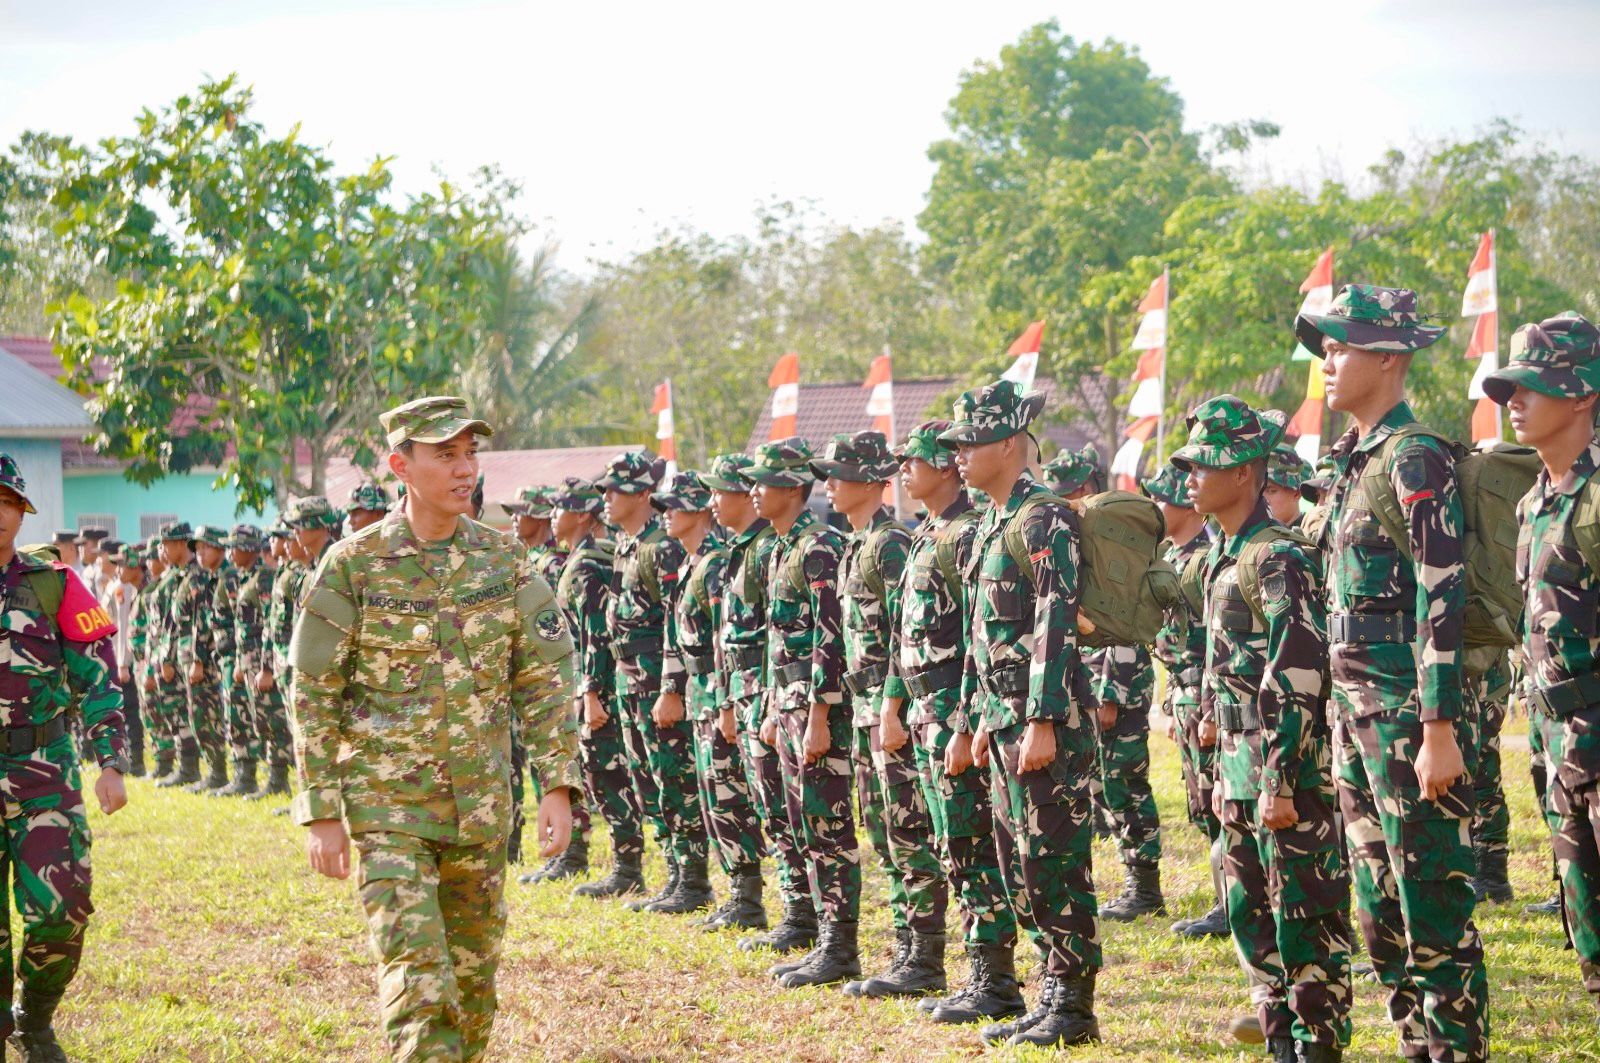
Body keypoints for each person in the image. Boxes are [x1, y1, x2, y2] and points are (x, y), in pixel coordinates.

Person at [290, 395, 580, 1062]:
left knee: (472, 997)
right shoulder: (353, 565)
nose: (464, 467)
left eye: (470, 452)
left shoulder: (503, 562)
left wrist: (558, 783)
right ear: (402, 464)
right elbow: (312, 691)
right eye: (445, 453)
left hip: (480, 814)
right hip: (389, 814)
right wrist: (321, 809)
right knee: (424, 993)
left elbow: (544, 676)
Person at [1298, 283, 1486, 1061]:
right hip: (1354, 713)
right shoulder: (1351, 462)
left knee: (1431, 908)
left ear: (1390, 357)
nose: (1330, 362)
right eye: (1328, 347)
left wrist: (1439, 726)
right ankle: (1415, 1045)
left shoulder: (1415, 457)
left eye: (1343, 347)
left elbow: (1443, 593)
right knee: (1377, 909)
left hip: (1410, 717)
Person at [1173, 396, 1351, 1063]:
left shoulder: (1276, 556)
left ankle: (1317, 1046)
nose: (1191, 477)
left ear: (1247, 471)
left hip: (1287, 775)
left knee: (1304, 920)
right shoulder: (1228, 552)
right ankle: (1282, 1040)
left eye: (1205, 464)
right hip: (1242, 772)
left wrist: (1276, 778)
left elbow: (1298, 671)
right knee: (1252, 916)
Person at [939, 380, 1102, 1048]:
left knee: (1054, 859)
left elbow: (1054, 619)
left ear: (1008, 444)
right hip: (1002, 721)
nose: (958, 455)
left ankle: (1073, 1002)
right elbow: (986, 636)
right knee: (1020, 861)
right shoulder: (993, 523)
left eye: (970, 442)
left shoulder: (1044, 517)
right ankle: (1048, 988)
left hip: (1046, 725)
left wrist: (1040, 717)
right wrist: (978, 718)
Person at [1484, 311, 1600, 1028]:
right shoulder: (1533, 504)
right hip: (1562, 746)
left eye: (1533, 385)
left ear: (1585, 393)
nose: (1514, 400)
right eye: (1509, 387)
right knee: (1585, 923)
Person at [891, 421, 1024, 1024]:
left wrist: (966, 723)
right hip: (928, 716)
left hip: (955, 719)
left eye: (912, 461)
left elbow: (980, 638)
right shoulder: (929, 533)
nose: (901, 472)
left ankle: (996, 981)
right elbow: (906, 635)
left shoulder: (965, 535)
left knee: (971, 843)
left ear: (946, 466)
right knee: (952, 845)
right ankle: (978, 974)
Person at [0, 451, 129, 1061]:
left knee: (65, 906)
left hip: (43, 771)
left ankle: (36, 1016)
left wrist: (110, 761)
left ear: (23, 513)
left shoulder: (52, 583)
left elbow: (97, 680)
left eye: (9, 505)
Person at [815, 431, 946, 999]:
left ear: (872, 481)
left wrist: (892, 704)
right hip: (865, 706)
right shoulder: (859, 542)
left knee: (909, 831)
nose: (830, 484)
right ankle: (904, 949)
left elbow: (902, 634)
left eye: (840, 474)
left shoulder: (891, 543)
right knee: (886, 830)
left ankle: (924, 958)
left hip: (888, 705)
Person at [747, 438, 863, 989]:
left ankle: (840, 948)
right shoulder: (782, 547)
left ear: (793, 488)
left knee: (827, 826)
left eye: (763, 481)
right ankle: (820, 937)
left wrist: (819, 714)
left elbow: (829, 638)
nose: (753, 490)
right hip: (789, 706)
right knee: (802, 826)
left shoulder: (819, 546)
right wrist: (775, 707)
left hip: (817, 709)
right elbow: (780, 642)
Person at [1044, 445, 1164, 921]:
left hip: (1119, 685)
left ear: (1090, 485)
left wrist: (1111, 691)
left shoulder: (1113, 534)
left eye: (1074, 489)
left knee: (1123, 784)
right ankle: (1138, 882)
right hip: (1093, 684)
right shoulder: (1078, 534)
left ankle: (1145, 886)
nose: (1069, 498)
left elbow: (1124, 615)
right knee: (1105, 788)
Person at [705, 454, 813, 953]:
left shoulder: (782, 546)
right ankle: (791, 911)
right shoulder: (750, 549)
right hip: (757, 692)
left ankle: (804, 916)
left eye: (755, 485)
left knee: (794, 811)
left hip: (783, 694)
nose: (745, 493)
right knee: (772, 807)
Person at [599, 451, 710, 914]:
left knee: (673, 779)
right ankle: (672, 873)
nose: (606, 499)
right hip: (630, 681)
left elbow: (674, 622)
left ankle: (693, 880)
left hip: (655, 683)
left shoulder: (659, 547)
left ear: (644, 495)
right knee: (649, 782)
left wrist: (670, 687)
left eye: (616, 490)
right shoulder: (627, 544)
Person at [656, 471, 767, 931]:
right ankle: (735, 893)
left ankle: (748, 899)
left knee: (731, 797)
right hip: (702, 695)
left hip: (720, 695)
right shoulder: (693, 563)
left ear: (698, 509)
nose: (666, 515)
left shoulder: (717, 563)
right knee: (713, 798)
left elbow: (726, 640)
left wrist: (724, 704)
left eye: (674, 506)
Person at [1143, 463, 1228, 938]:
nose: (1156, 509)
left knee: (1220, 803)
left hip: (1207, 696)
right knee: (1202, 804)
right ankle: (1228, 899)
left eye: (1161, 500)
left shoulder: (1205, 558)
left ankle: (1235, 904)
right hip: (1188, 694)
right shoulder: (1176, 557)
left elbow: (1217, 643)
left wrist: (1207, 707)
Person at [174, 524, 231, 793]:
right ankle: (213, 771)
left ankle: (220, 772)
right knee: (200, 717)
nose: (200, 552)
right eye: (197, 548)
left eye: (206, 546)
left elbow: (204, 624)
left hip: (211, 661)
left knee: (211, 717)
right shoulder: (207, 578)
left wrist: (198, 659)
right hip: (200, 659)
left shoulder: (222, 578)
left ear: (220, 547)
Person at [210, 525, 266, 796]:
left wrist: (251, 662)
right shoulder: (237, 577)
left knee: (255, 719)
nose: (230, 552)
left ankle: (259, 776)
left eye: (234, 547)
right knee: (235, 716)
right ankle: (243, 775)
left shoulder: (263, 578)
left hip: (254, 661)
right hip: (235, 659)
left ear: (248, 549)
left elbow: (268, 624)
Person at [1264, 445, 1313, 528]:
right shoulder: (1250, 533)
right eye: (1257, 491)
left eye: (1271, 491)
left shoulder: (1311, 535)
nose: (1262, 498)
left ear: (1296, 494)